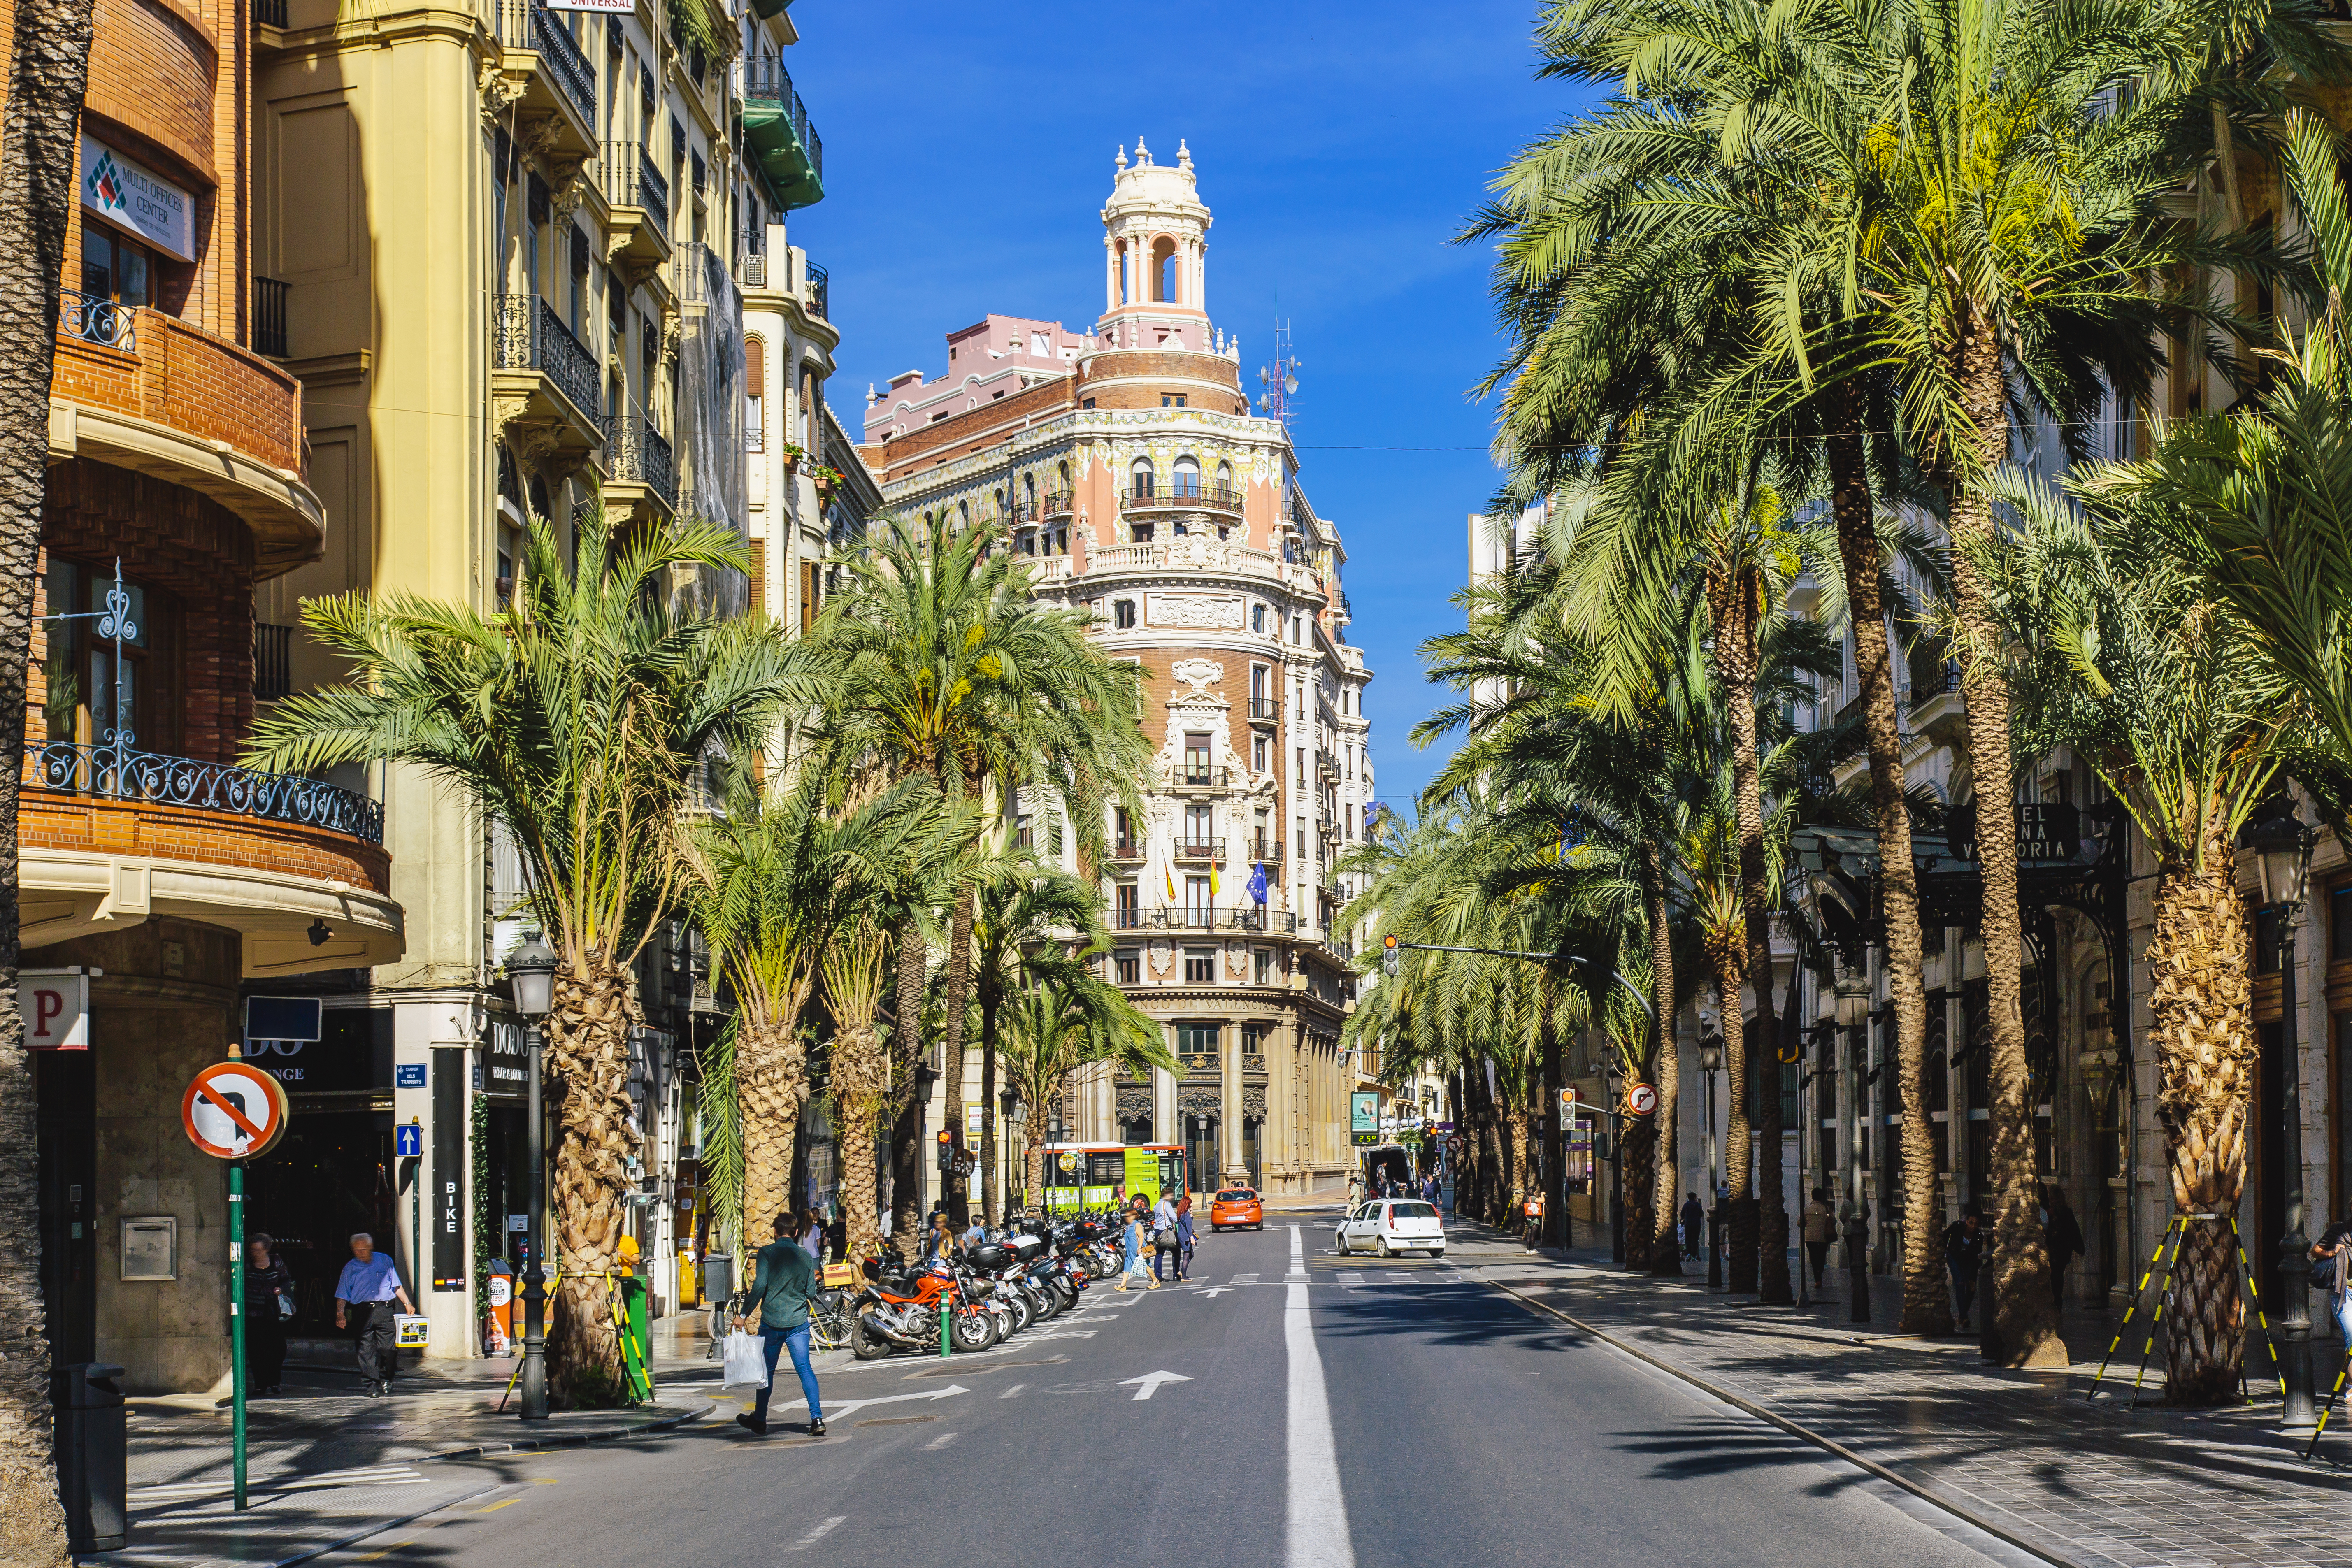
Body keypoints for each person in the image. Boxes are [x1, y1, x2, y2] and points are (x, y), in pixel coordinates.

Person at [734, 1211, 825, 1438]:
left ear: (774, 1231)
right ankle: (817, 1418)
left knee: (768, 1372)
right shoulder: (805, 1256)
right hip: (798, 1323)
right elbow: (811, 1293)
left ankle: (760, 1419)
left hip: (772, 1322)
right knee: (805, 1369)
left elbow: (759, 1286)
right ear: (796, 1233)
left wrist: (743, 1314)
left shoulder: (766, 1253)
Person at [332, 1232, 416, 1397]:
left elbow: (396, 1285)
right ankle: (372, 1386)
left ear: (371, 1247)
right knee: (365, 1350)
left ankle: (387, 1377)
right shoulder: (351, 1267)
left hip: (384, 1309)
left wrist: (407, 1303)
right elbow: (342, 1293)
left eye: (364, 1248)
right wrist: (340, 1314)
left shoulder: (384, 1260)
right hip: (361, 1311)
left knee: (389, 1349)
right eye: (357, 1250)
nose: (361, 1252)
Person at [245, 1233, 293, 1396]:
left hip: (273, 1311)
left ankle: (274, 1381)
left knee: (278, 1348)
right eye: (253, 1250)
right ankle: (260, 1384)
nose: (255, 1253)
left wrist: (281, 1289)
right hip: (253, 1311)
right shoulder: (246, 1264)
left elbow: (286, 1279)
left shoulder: (276, 1261)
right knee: (257, 1349)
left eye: (259, 1250)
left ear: (267, 1249)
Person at [2041, 1185, 2084, 1310]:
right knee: (2059, 1276)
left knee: (2055, 1276)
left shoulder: (2050, 1212)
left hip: (2055, 1250)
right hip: (2064, 1251)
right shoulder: (2066, 1212)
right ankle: (2058, 1300)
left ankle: (2056, 1300)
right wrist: (2079, 1247)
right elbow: (2074, 1230)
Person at [1944, 1203, 1985, 1331]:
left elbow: (1976, 1259)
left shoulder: (1979, 1237)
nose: (1972, 1226)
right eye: (1970, 1223)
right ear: (1966, 1221)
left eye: (1976, 1224)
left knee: (1972, 1288)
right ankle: (1964, 1317)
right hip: (1953, 1257)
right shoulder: (1957, 1227)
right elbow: (1943, 1237)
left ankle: (1963, 1316)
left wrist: (1973, 1278)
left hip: (1969, 1261)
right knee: (1960, 1283)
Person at [1802, 1188, 1836, 1289]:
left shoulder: (1807, 1209)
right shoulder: (1826, 1209)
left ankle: (1818, 1279)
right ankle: (1819, 1275)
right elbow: (1834, 1221)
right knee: (1821, 1258)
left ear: (1812, 1196)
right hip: (1823, 1238)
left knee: (1814, 1258)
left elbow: (1800, 1222)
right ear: (1822, 1197)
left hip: (1810, 1238)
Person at [1151, 1189, 1181, 1282]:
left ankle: (1158, 1275)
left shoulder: (1156, 1206)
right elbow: (1173, 1217)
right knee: (1176, 1252)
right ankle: (1176, 1274)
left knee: (1159, 1254)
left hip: (1158, 1232)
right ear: (1166, 1195)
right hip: (1166, 1232)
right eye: (1171, 1195)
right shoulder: (1166, 1205)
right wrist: (1181, 1222)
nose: (1172, 1197)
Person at [1175, 1192, 1197, 1281]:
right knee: (1187, 1255)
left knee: (1191, 1254)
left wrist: (1191, 1216)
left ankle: (1182, 1273)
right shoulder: (1186, 1214)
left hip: (1181, 1235)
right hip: (1186, 1237)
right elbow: (1189, 1227)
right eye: (1190, 1204)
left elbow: (1185, 1223)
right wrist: (1192, 1237)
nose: (1190, 1206)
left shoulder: (1180, 1213)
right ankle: (1184, 1276)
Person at [1680, 1193, 1705, 1261]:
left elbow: (1682, 1214)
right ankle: (1694, 1255)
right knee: (1695, 1239)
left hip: (1688, 1224)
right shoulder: (1698, 1205)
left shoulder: (1686, 1205)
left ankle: (1689, 1254)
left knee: (1688, 1239)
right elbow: (1701, 1214)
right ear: (1695, 1197)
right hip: (1697, 1224)